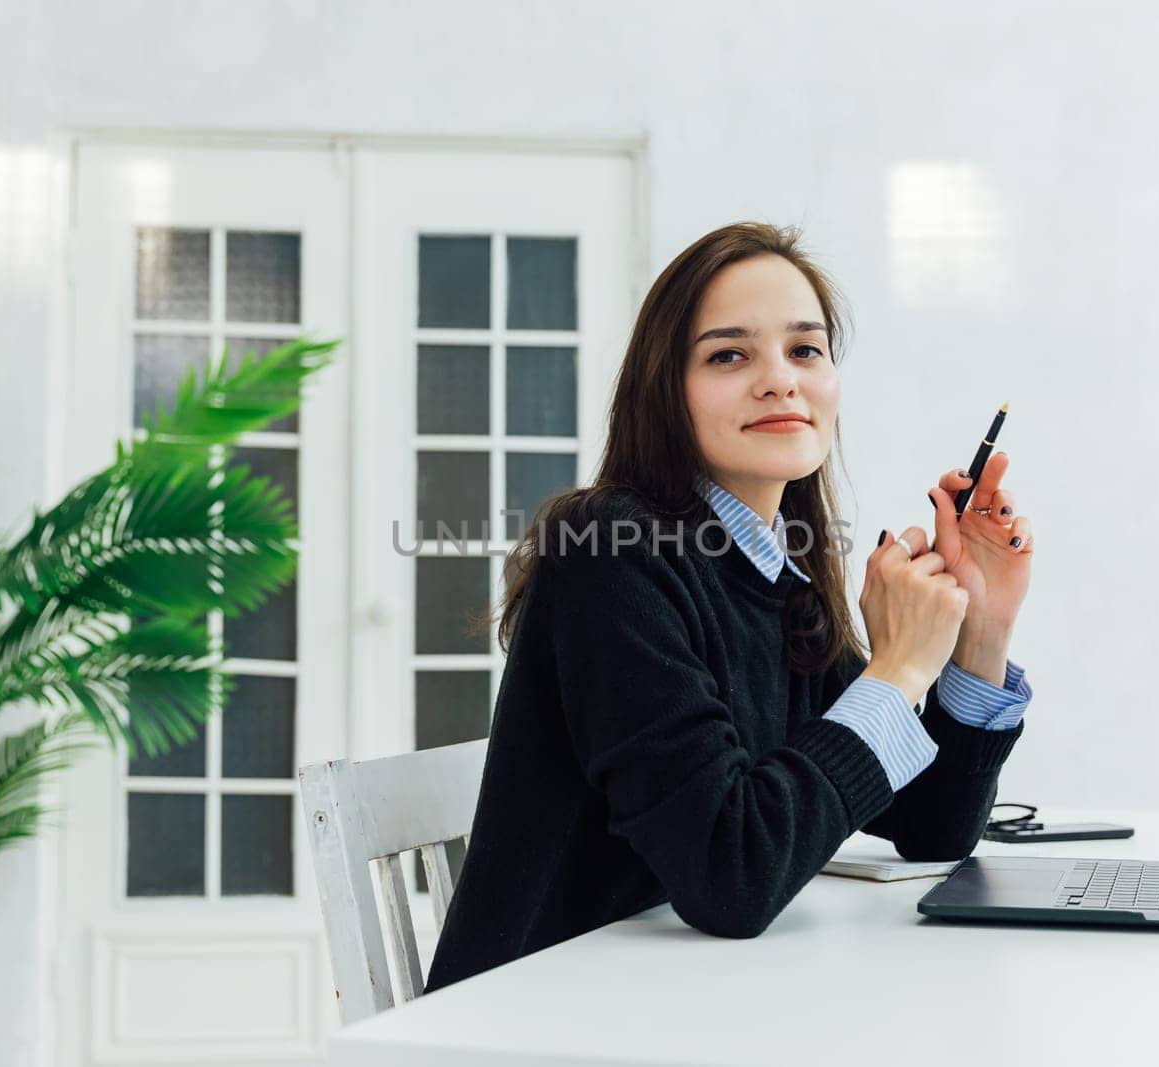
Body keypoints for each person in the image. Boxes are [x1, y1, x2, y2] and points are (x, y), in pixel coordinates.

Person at [423, 220, 1035, 993]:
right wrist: (899, 669)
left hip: (673, 1001)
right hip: (532, 1016)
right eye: (728, 354)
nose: (780, 379)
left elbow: (932, 828)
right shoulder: (608, 550)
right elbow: (730, 874)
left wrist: (980, 630)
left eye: (805, 349)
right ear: (666, 390)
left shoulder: (779, 571)